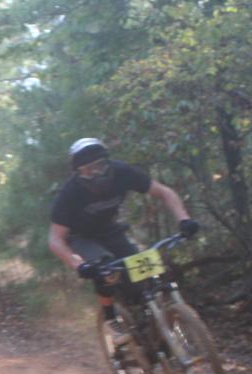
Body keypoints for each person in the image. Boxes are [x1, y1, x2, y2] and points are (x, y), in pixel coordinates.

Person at [48, 137, 199, 345]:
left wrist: (184, 219)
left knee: (147, 273)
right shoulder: (70, 194)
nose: (96, 174)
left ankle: (151, 323)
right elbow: (55, 239)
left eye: (99, 166)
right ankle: (111, 321)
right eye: (87, 170)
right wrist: (79, 264)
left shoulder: (122, 173)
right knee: (105, 269)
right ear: (78, 172)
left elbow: (164, 192)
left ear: (107, 163)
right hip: (81, 238)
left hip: (111, 232)